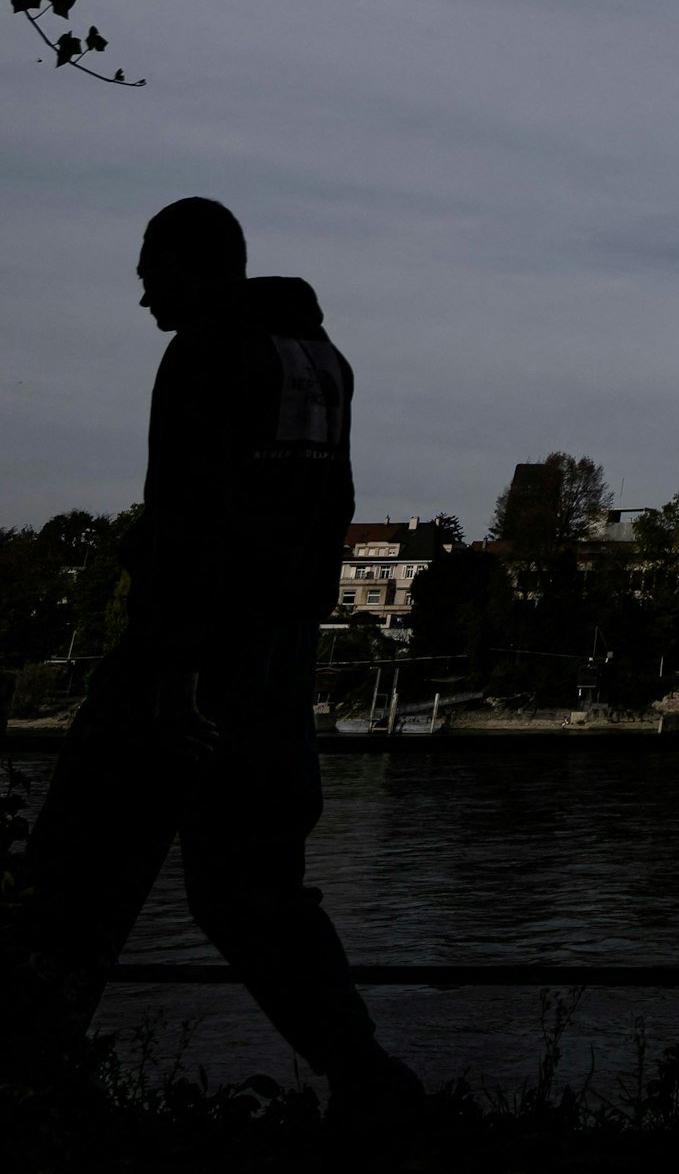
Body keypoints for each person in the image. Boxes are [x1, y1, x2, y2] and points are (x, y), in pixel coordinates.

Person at [24, 196, 420, 1119]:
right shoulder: (324, 362)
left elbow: (188, 517)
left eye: (151, 277)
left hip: (189, 665)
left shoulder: (205, 350)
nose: (145, 301)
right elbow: (320, 511)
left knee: (69, 878)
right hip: (277, 667)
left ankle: (9, 1085)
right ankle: (365, 1073)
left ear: (193, 267)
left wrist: (167, 671)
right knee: (254, 887)